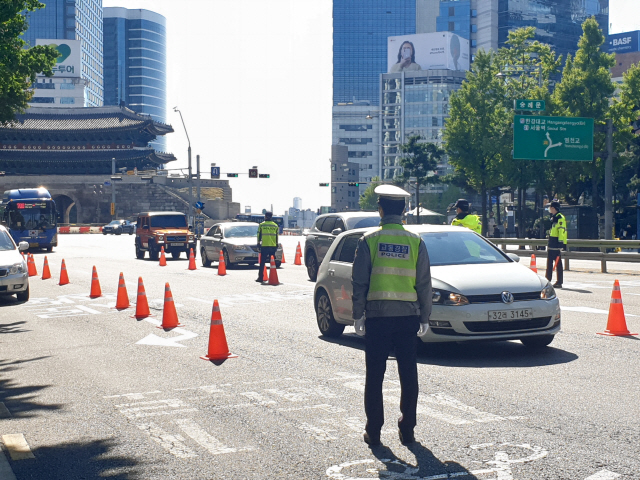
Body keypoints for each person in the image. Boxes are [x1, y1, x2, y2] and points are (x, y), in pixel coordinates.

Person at [351, 185, 432, 447]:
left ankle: (374, 431)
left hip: (377, 317)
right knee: (408, 374)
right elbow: (424, 283)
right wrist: (424, 317)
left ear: (380, 210)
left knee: (375, 375)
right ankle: (407, 429)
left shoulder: (369, 240)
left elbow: (359, 282)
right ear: (405, 210)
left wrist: (358, 315)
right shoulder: (415, 241)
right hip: (408, 317)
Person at [546, 201, 567, 288]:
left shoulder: (560, 218)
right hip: (551, 242)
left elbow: (562, 232)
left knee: (558, 263)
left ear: (553, 208)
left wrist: (561, 244)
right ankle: (548, 279)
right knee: (549, 262)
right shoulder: (553, 217)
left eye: (550, 207)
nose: (549, 209)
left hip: (557, 243)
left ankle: (559, 281)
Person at [255, 211, 279, 282]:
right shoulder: (275, 225)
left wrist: (258, 243)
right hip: (272, 246)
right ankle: (273, 277)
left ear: (265, 216)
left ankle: (260, 278)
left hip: (264, 246)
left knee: (262, 263)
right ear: (271, 217)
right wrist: (276, 244)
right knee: (272, 263)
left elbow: (258, 235)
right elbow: (277, 236)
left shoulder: (262, 225)